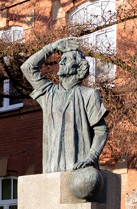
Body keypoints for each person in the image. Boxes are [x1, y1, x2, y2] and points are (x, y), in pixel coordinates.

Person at [21, 37, 109, 173]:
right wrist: (52, 46)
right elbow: (27, 67)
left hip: (78, 168)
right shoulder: (49, 93)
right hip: (52, 170)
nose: (61, 62)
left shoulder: (89, 94)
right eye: (61, 59)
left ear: (79, 67)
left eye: (67, 59)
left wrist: (91, 157)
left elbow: (101, 130)